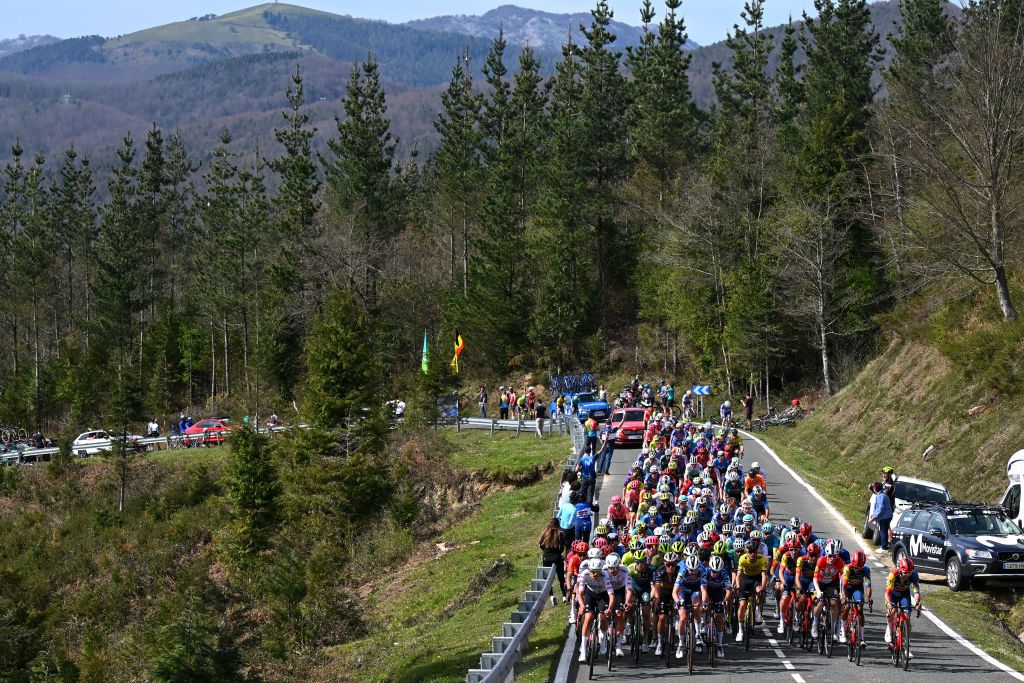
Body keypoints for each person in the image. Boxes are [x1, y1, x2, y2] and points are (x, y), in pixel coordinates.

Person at [885, 557, 921, 656]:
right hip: (892, 594)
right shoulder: (893, 574)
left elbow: (916, 592)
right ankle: (889, 630)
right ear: (900, 570)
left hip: (904, 594)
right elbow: (887, 593)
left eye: (909, 572)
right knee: (892, 612)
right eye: (905, 572)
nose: (907, 575)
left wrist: (917, 602)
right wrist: (889, 604)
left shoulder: (913, 575)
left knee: (907, 617)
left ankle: (907, 646)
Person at [540, 518, 570, 604]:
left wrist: (546, 551)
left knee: (549, 579)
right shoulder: (560, 533)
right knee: (561, 578)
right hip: (557, 557)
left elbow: (541, 545)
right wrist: (559, 553)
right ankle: (564, 596)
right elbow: (564, 546)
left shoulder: (545, 533)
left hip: (546, 558)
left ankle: (552, 596)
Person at [871, 481, 894, 550]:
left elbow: (880, 507)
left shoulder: (880, 496)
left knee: (883, 531)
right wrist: (874, 514)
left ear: (875, 489)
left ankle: (884, 547)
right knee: (884, 530)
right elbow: (878, 507)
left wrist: (875, 516)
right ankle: (885, 546)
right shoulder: (882, 495)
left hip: (885, 517)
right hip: (887, 516)